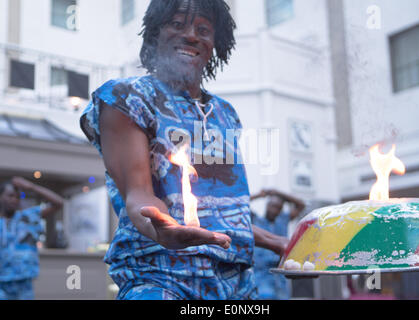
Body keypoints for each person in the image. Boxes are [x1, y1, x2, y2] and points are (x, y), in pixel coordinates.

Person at [80, 0, 287, 300]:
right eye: (177, 24)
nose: (191, 35)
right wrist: (160, 228)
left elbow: (220, 213)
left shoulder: (226, 113)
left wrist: (278, 241)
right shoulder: (126, 97)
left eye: (203, 29)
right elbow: (138, 194)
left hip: (239, 287)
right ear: (155, 32)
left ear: (216, 43)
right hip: (162, 278)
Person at [0, 177, 64, 300]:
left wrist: (31, 187)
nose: (14, 200)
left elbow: (58, 203)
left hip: (24, 284)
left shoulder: (28, 216)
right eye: (10, 196)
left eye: (18, 197)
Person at [250, 189, 305, 299]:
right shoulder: (255, 220)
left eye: (278, 208)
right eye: (272, 206)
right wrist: (259, 195)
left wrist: (277, 192)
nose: (274, 210)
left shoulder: (282, 220)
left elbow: (301, 205)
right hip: (261, 276)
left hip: (280, 278)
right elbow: (239, 206)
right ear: (267, 205)